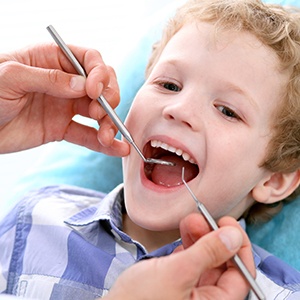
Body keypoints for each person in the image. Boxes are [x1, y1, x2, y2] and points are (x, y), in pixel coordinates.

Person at [1, 0, 300, 299]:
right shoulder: (33, 216)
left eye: (227, 111)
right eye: (169, 85)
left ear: (273, 180)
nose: (179, 109)